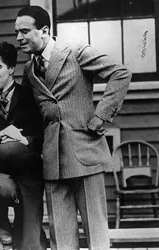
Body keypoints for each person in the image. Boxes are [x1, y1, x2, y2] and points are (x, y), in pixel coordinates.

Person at [14, 5, 132, 250]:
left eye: (25, 31)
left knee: (96, 234)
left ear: (44, 30)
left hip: (84, 152)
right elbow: (28, 113)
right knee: (61, 237)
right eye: (17, 32)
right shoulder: (29, 69)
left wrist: (102, 115)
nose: (18, 38)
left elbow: (120, 73)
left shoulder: (76, 52)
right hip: (52, 160)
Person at [0, 42, 47, 249]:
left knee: (31, 242)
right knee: (3, 190)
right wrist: (1, 134)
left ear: (11, 68)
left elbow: (41, 135)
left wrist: (24, 141)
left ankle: (30, 233)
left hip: (27, 170)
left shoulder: (29, 98)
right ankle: (1, 218)